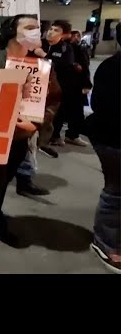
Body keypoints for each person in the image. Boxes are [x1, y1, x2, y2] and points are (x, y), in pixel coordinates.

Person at [0, 15, 61, 245]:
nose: (36, 32)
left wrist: (36, 124)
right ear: (12, 31)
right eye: (29, 27)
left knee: (1, 186)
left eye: (37, 27)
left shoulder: (42, 68)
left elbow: (52, 101)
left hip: (18, 141)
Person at [85, 23, 120, 273]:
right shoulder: (112, 68)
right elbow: (100, 105)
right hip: (113, 141)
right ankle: (105, 242)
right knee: (116, 192)